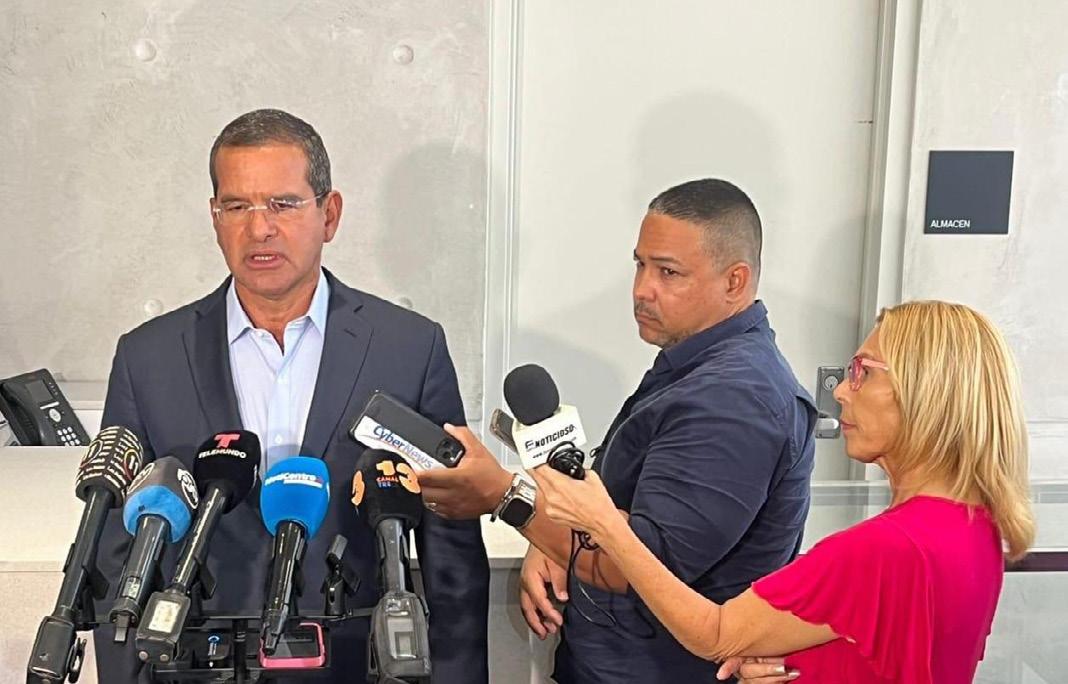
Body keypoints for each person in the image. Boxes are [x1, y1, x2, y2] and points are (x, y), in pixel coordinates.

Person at [93, 109, 490, 683]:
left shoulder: (409, 348)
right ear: (214, 217)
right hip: (200, 664)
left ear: (329, 215)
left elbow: (451, 549)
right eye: (237, 207)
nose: (259, 229)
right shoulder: (148, 357)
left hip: (359, 664)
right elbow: (116, 553)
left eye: (283, 204)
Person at [417, 179, 818, 682]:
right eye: (640, 265)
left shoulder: (735, 401)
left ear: (734, 282)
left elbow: (642, 561)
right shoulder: (694, 366)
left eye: (668, 272)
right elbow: (613, 505)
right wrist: (552, 539)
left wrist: (506, 497)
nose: (642, 289)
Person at [535, 300, 1035, 684]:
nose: (841, 391)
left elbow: (715, 634)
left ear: (926, 391)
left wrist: (604, 524)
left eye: (863, 373)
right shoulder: (975, 526)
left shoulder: (883, 550)